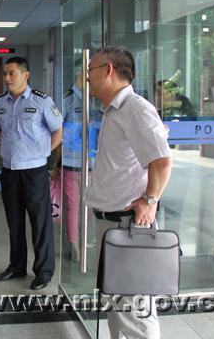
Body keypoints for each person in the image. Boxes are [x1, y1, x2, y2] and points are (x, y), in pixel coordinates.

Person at [84, 46, 172, 339]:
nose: (87, 77)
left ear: (108, 70)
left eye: (90, 70)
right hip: (111, 224)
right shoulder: (114, 110)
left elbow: (162, 160)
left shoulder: (136, 109)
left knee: (135, 313)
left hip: (128, 226)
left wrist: (150, 199)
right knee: (116, 306)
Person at [0, 56, 63, 291]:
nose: (7, 78)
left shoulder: (42, 101)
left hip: (34, 172)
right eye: (5, 73)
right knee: (14, 222)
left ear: (26, 75)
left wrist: (42, 153)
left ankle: (44, 271)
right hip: (9, 171)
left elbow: (58, 131)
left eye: (12, 73)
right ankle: (17, 266)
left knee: (40, 222)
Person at [51, 63, 85, 260]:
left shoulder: (96, 99)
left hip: (92, 164)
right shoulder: (67, 100)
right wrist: (56, 165)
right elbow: (59, 135)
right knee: (72, 208)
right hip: (71, 163)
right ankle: (74, 245)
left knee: (88, 206)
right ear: (80, 75)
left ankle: (84, 239)